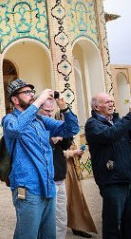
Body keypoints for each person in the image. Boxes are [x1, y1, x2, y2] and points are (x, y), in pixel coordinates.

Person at [2, 79, 79, 239]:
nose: (31, 95)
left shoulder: (40, 120)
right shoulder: (9, 120)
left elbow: (72, 129)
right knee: (27, 235)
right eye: (27, 92)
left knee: (48, 235)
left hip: (48, 186)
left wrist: (63, 106)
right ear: (15, 100)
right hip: (28, 189)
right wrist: (38, 101)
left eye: (32, 91)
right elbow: (15, 129)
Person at [85, 93, 131, 239]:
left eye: (112, 101)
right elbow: (110, 134)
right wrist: (130, 116)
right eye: (107, 102)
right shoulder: (92, 124)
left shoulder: (117, 121)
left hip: (127, 178)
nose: (111, 104)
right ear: (96, 107)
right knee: (113, 224)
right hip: (111, 180)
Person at [38, 99, 74, 239]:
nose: (49, 114)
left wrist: (63, 134)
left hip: (59, 175)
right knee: (47, 218)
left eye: (51, 111)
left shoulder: (53, 124)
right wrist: (49, 139)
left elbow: (66, 145)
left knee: (61, 216)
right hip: (46, 180)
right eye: (47, 111)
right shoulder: (35, 125)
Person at [64, 140, 97, 238]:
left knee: (76, 197)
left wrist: (78, 153)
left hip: (71, 167)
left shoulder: (67, 131)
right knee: (64, 200)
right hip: (60, 169)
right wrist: (72, 152)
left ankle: (77, 226)